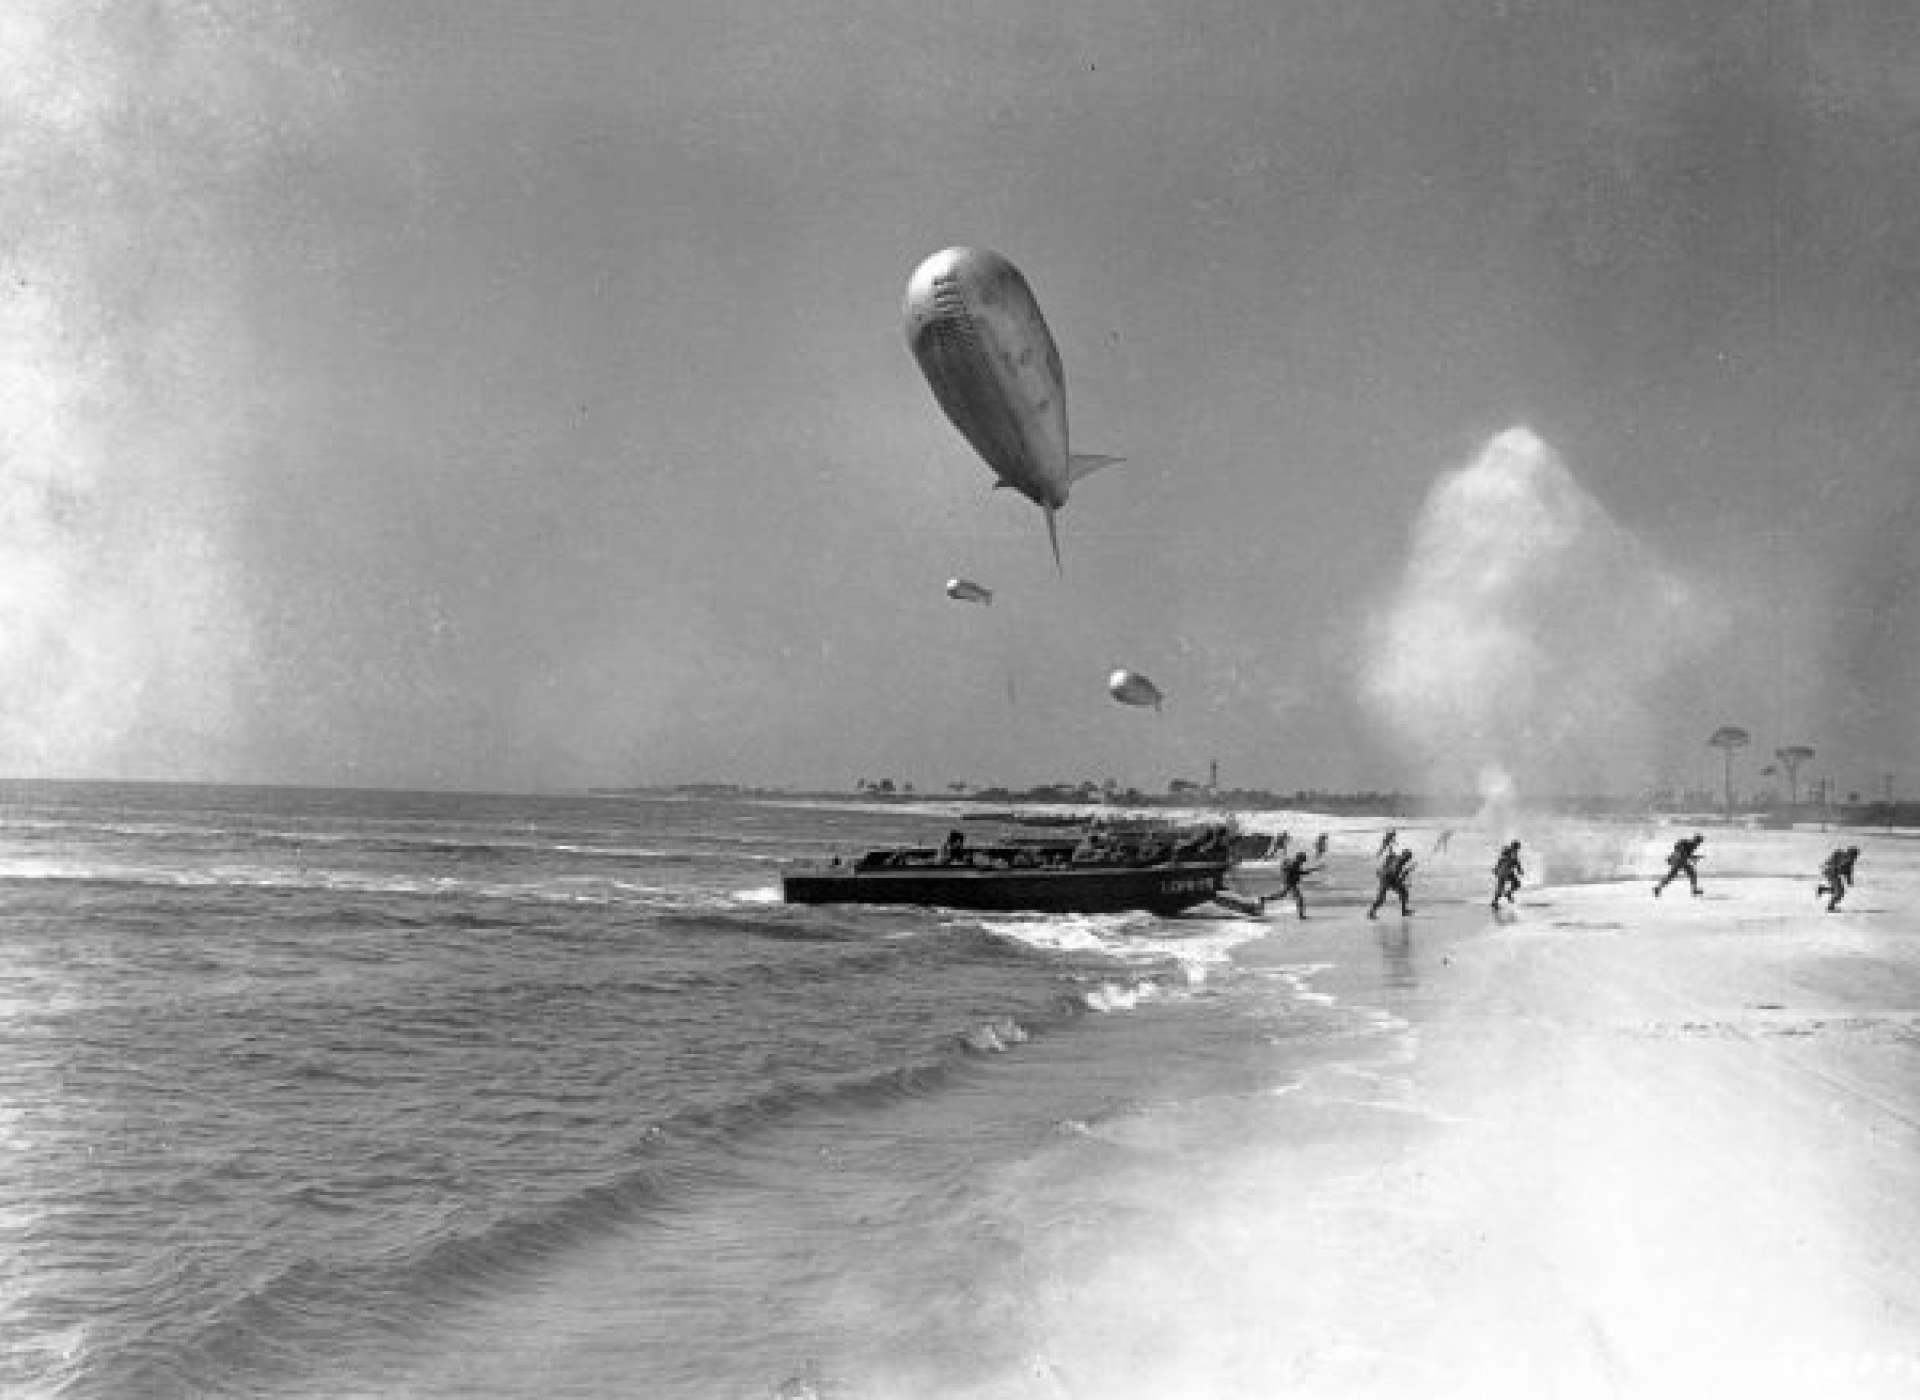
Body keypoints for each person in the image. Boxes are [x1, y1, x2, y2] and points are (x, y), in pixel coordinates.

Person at [1653, 832, 1705, 897]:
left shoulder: (1690, 844)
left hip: (1680, 861)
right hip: (1679, 861)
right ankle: (1658, 888)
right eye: (1699, 842)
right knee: (1673, 876)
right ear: (1696, 840)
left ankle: (1658, 888)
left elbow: (1684, 854)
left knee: (1689, 874)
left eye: (1699, 842)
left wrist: (1694, 857)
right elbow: (1682, 853)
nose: (1699, 844)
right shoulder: (1688, 844)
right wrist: (1694, 858)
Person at [1370, 847, 1416, 919]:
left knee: (1403, 892)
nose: (1407, 860)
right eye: (1407, 858)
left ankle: (1404, 911)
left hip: (1384, 876)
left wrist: (1390, 848)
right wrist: (1408, 870)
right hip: (1387, 879)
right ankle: (1371, 913)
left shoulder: (1394, 857)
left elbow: (1389, 857)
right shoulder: (1398, 864)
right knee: (1381, 898)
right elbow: (1398, 878)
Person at [1273, 850, 1319, 920]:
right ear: (1300, 858)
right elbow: (1300, 872)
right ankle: (1301, 916)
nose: (1304, 861)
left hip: (1288, 882)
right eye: (1304, 859)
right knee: (1299, 899)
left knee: (1281, 895)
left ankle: (1264, 899)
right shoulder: (1295, 864)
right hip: (1290, 883)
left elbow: (1296, 872)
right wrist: (1314, 869)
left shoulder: (1294, 863)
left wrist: (1313, 870)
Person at [1816, 847, 1848, 911]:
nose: (1854, 858)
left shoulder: (1846, 858)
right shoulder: (1842, 856)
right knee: (1839, 892)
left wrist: (1848, 879)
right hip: (1831, 874)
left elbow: (1847, 870)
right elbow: (1832, 863)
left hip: (1832, 874)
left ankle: (1823, 889)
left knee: (1838, 891)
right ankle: (1830, 906)